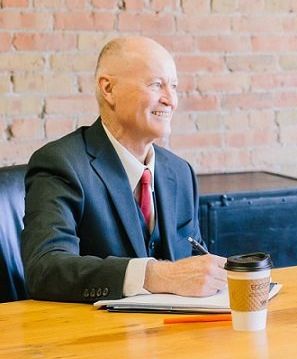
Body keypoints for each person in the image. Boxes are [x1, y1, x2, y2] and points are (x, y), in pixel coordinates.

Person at [22, 36, 226, 303]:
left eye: (174, 86)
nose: (171, 100)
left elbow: (194, 265)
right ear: (108, 89)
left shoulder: (180, 172)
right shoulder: (60, 163)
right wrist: (155, 275)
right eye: (156, 85)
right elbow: (44, 270)